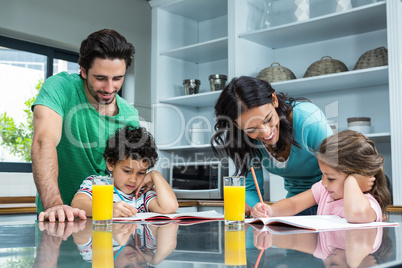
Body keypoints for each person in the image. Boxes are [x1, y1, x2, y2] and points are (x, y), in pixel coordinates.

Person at [31, 29, 140, 222]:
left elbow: (127, 169)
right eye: (100, 78)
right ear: (83, 70)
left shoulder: (130, 115)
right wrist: (55, 205)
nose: (109, 88)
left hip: (107, 218)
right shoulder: (60, 87)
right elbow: (43, 141)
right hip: (59, 216)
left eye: (117, 78)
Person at [212, 76, 336, 216]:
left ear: (274, 100)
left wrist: (290, 206)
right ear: (237, 125)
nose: (266, 133)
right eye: (252, 130)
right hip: (294, 209)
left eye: (268, 119)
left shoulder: (309, 120)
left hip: (331, 203)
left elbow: (338, 174)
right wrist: (257, 210)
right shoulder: (245, 141)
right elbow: (251, 189)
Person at [253, 130, 392, 223]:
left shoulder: (369, 203)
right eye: (323, 175)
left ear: (358, 176)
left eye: (331, 178)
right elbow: (294, 204)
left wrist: (352, 182)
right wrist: (270, 211)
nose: (324, 183)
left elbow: (356, 214)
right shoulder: (325, 191)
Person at [71, 125, 179, 217]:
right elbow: (77, 204)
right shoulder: (98, 184)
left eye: (141, 173)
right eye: (127, 171)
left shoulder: (142, 194)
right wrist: (109, 209)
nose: (133, 180)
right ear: (110, 163)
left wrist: (155, 175)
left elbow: (169, 207)